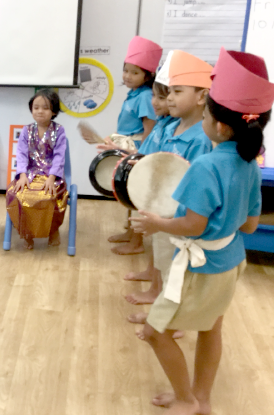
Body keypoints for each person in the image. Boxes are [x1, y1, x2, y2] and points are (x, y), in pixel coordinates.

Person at [131, 47, 272, 415]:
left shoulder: (206, 167)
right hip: (231, 260)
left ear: (220, 125)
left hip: (200, 266)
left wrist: (155, 223)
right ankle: (203, 399)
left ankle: (186, 399)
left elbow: (193, 225)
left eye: (207, 110)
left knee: (154, 332)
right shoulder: (250, 164)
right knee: (211, 329)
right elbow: (250, 224)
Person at [122, 50, 213, 313]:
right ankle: (162, 316)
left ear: (201, 96)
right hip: (163, 212)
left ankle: (170, 323)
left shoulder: (200, 138)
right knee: (162, 260)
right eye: (168, 91)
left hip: (179, 217)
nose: (169, 98)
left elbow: (195, 189)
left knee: (176, 269)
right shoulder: (172, 128)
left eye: (177, 91)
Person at [107, 36, 162, 255]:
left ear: (148, 76)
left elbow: (149, 129)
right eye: (126, 70)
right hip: (128, 147)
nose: (128, 76)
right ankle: (130, 233)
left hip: (139, 150)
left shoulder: (146, 96)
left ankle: (136, 242)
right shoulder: (135, 94)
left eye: (134, 72)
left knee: (139, 197)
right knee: (130, 195)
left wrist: (140, 154)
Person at [6, 89, 68, 249]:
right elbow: (21, 154)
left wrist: (52, 177)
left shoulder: (59, 131)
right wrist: (22, 175)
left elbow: (59, 156)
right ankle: (27, 232)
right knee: (16, 194)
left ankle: (52, 231)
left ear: (54, 111)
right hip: (30, 174)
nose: (40, 111)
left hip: (51, 176)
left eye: (45, 108)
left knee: (50, 196)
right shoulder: (26, 131)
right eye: (36, 107)